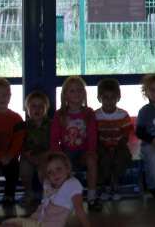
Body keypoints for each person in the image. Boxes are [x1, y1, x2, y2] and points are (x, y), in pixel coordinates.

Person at [49, 76, 100, 211]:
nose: (76, 93)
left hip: (84, 152)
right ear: (65, 95)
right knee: (58, 166)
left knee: (92, 160)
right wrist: (59, 155)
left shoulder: (88, 113)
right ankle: (60, 199)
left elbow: (92, 135)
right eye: (72, 91)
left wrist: (91, 151)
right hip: (66, 152)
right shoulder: (60, 114)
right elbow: (54, 138)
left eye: (79, 90)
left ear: (84, 93)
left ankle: (91, 197)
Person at [2, 151, 90, 227]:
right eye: (50, 172)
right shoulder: (48, 184)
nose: (55, 174)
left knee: (12, 224)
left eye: (58, 169)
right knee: (8, 223)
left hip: (49, 225)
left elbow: (80, 210)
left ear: (67, 168)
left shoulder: (72, 184)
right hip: (36, 221)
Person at [94, 78, 133, 201]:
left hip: (119, 144)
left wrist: (118, 146)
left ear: (118, 98)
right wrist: (103, 147)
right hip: (101, 145)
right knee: (102, 159)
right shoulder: (96, 115)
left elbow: (126, 134)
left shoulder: (123, 115)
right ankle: (104, 185)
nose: (109, 101)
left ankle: (115, 183)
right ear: (99, 98)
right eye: (105, 97)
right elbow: (94, 135)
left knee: (122, 158)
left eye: (112, 97)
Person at [19, 90, 51, 206]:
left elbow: (55, 143)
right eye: (33, 106)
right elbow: (20, 144)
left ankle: (48, 195)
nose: (37, 109)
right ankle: (29, 193)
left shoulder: (51, 125)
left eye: (41, 106)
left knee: (43, 171)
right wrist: (28, 155)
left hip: (47, 156)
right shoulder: (24, 126)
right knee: (24, 169)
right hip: (29, 156)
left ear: (46, 109)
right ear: (27, 109)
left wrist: (44, 156)